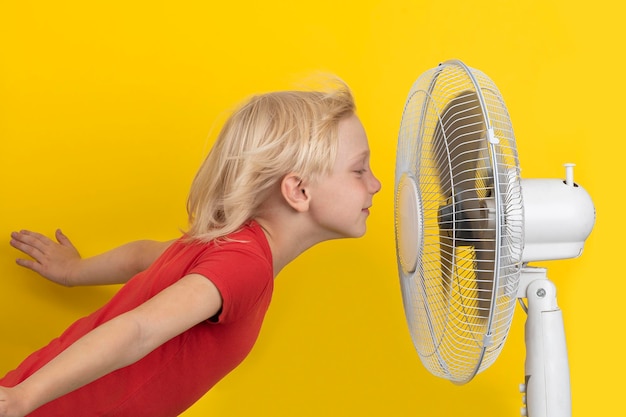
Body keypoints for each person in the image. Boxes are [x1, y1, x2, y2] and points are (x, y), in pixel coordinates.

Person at [0, 81, 381, 417]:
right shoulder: (244, 264)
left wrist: (74, 272)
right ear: (298, 191)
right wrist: (22, 399)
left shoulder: (231, 242)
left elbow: (142, 256)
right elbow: (139, 330)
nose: (376, 184)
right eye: (359, 169)